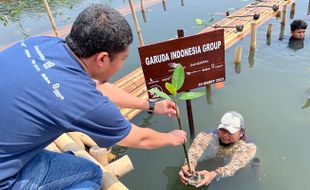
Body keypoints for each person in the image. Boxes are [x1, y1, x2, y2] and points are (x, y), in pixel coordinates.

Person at [0, 4, 187, 190]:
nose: (122, 64)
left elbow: (99, 88)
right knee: (92, 175)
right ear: (103, 59)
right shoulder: (79, 100)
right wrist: (171, 138)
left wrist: (150, 105)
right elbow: (141, 139)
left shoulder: (39, 43)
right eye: (123, 58)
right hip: (5, 180)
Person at [179, 111, 256, 187]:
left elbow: (234, 166)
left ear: (241, 132)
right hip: (215, 161)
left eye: (230, 132)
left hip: (236, 173)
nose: (225, 135)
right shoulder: (207, 135)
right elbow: (194, 151)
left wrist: (213, 174)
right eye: (222, 130)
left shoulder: (248, 146)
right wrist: (189, 164)